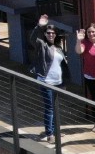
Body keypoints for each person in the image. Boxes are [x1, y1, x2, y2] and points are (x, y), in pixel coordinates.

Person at [28, 14, 66, 143]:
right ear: (45, 34)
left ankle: (55, 130)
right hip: (46, 81)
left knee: (55, 107)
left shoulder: (59, 48)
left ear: (56, 35)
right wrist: (39, 26)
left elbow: (62, 66)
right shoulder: (42, 46)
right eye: (48, 33)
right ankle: (50, 133)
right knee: (49, 107)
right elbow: (33, 39)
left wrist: (64, 81)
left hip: (58, 82)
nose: (50, 35)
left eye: (53, 33)